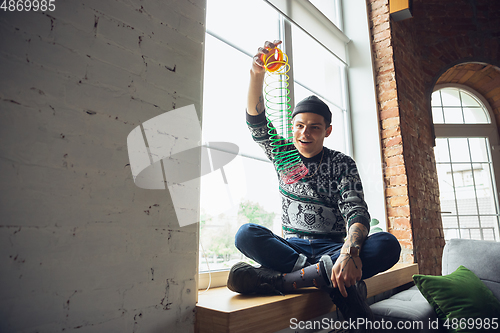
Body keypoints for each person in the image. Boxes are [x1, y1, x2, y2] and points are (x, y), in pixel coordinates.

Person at [227, 40, 401, 330]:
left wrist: (348, 253)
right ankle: (325, 276)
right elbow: (256, 121)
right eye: (299, 125)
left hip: (333, 247)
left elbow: (357, 214)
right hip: (292, 246)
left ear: (327, 131)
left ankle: (283, 280)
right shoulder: (283, 155)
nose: (304, 133)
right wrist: (257, 74)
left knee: (388, 244)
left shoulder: (341, 163)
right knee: (246, 234)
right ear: (293, 126)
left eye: (314, 127)